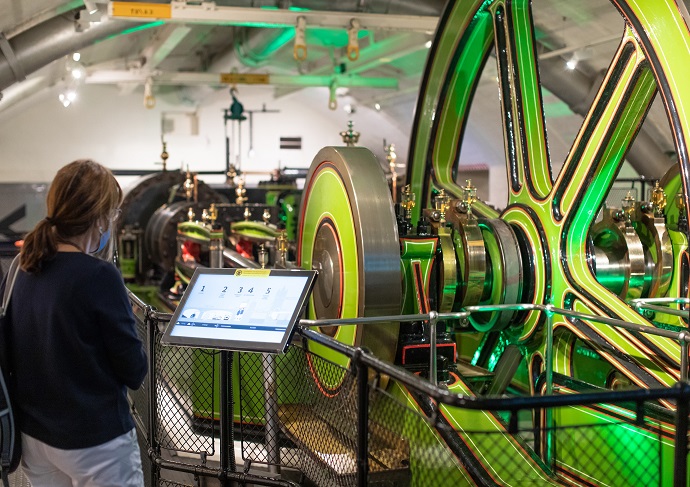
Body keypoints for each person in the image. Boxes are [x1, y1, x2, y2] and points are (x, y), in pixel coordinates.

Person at [0, 159, 147, 486]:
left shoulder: (20, 269)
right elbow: (134, 370)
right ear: (99, 217)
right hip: (95, 442)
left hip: (35, 438)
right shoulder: (98, 276)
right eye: (112, 214)